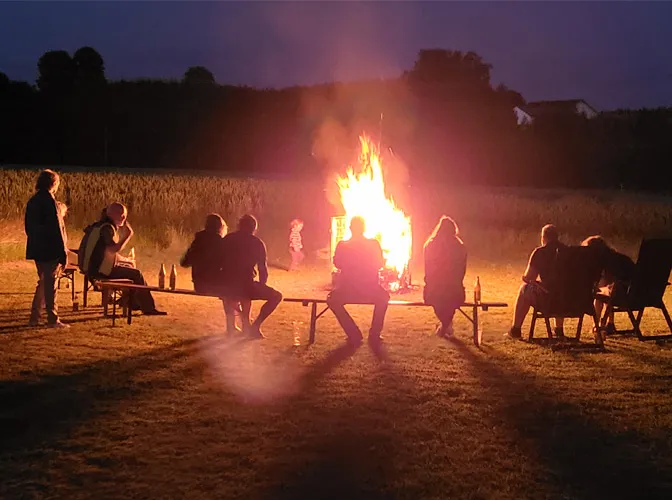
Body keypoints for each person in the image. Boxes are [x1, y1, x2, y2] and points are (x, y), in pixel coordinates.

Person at [79, 202, 166, 316]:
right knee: (137, 274)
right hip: (99, 270)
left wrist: (124, 260)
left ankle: (130, 302)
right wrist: (128, 235)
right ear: (122, 216)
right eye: (124, 216)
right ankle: (148, 308)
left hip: (89, 267)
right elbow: (113, 249)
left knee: (129, 267)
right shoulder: (107, 228)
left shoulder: (98, 225)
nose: (124, 219)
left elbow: (102, 252)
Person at [180, 213, 250, 335]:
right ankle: (236, 322)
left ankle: (234, 322)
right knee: (233, 288)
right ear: (220, 227)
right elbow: (227, 264)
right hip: (212, 284)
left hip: (198, 283)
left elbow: (185, 262)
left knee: (230, 288)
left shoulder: (198, 241)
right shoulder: (219, 242)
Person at [326, 216, 389, 345]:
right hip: (370, 289)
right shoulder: (374, 244)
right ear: (364, 229)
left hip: (348, 289)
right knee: (383, 298)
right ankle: (374, 334)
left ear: (350, 228)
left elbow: (337, 264)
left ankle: (353, 332)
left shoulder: (342, 245)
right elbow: (380, 264)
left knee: (332, 300)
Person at [221, 214, 283, 339]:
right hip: (246, 284)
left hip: (228, 283)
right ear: (254, 228)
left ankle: (232, 326)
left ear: (239, 226)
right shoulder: (257, 243)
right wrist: (262, 284)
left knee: (237, 293)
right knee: (276, 296)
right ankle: (254, 326)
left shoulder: (228, 239)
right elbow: (262, 268)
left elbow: (219, 260)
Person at [24, 169, 70, 328]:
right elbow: (57, 228)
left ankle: (35, 317)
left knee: (44, 282)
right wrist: (63, 251)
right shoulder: (50, 202)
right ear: (54, 184)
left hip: (37, 249)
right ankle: (52, 318)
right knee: (51, 284)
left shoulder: (33, 201)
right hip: (51, 250)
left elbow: (28, 228)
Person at [507, 224, 566, 339]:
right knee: (561, 287)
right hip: (569, 300)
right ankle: (558, 330)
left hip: (549, 300)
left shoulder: (540, 252)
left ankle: (515, 330)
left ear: (543, 237)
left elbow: (529, 277)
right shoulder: (568, 252)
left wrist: (526, 278)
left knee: (524, 289)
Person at [581, 235, 635, 335]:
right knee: (608, 289)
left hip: (623, 294)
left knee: (600, 293)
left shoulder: (603, 262)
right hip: (637, 293)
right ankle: (610, 324)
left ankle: (596, 325)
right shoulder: (618, 257)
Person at [423, 216, 467, 338]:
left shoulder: (430, 246)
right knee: (449, 298)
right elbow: (461, 272)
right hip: (456, 292)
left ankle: (445, 325)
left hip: (434, 292)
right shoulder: (460, 247)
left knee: (438, 298)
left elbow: (428, 271)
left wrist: (429, 283)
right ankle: (446, 324)